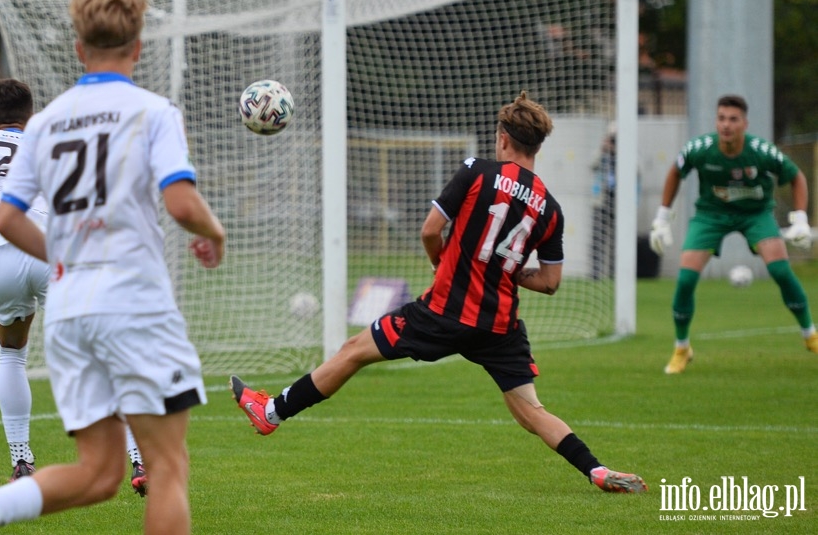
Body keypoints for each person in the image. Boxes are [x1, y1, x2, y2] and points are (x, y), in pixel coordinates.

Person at [231, 91, 647, 494]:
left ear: (503, 137)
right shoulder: (550, 207)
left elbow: (430, 230)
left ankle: (270, 412)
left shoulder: (476, 171)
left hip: (443, 312)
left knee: (353, 350)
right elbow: (551, 282)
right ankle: (596, 469)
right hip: (499, 327)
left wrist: (440, 261)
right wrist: (508, 271)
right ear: (537, 144)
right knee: (530, 411)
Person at [0, 0, 226, 535]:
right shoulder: (154, 111)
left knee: (98, 473)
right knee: (168, 467)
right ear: (138, 47)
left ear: (78, 49)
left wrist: (68, 258)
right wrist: (215, 232)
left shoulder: (47, 123)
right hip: (132, 297)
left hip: (70, 309)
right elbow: (182, 203)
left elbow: (8, 217)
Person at [0, 78, 151, 496]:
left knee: (11, 351)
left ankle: (22, 462)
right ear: (31, 118)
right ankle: (138, 457)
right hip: (47, 248)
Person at [649, 94, 817, 374]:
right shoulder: (700, 149)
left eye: (733, 119)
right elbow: (675, 172)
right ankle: (682, 348)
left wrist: (800, 218)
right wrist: (662, 218)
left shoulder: (762, 151)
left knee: (781, 271)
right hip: (711, 215)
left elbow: (796, 176)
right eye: (722, 118)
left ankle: (810, 334)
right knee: (686, 279)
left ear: (744, 124)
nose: (726, 125)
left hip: (756, 215)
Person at [590, 125, 616, 279]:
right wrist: (603, 149)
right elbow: (592, 165)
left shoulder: (625, 152)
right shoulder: (602, 153)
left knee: (615, 240)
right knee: (598, 238)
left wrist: (618, 152)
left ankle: (614, 272)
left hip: (617, 200)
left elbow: (637, 169)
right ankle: (595, 272)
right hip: (601, 199)